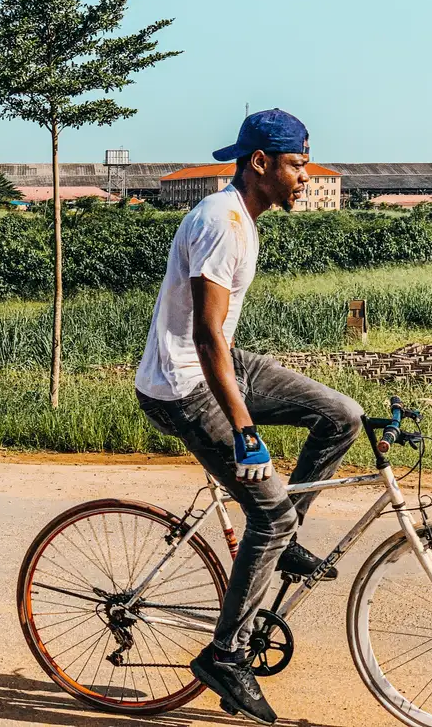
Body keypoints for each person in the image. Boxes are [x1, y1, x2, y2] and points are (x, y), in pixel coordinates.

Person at [134, 109, 364, 724]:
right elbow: (206, 339)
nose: (305, 178)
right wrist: (246, 433)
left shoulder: (245, 219)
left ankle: (281, 545)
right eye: (295, 165)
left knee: (343, 416)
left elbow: (220, 343)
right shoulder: (220, 222)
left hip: (221, 366)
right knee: (270, 511)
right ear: (260, 163)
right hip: (181, 385)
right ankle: (224, 656)